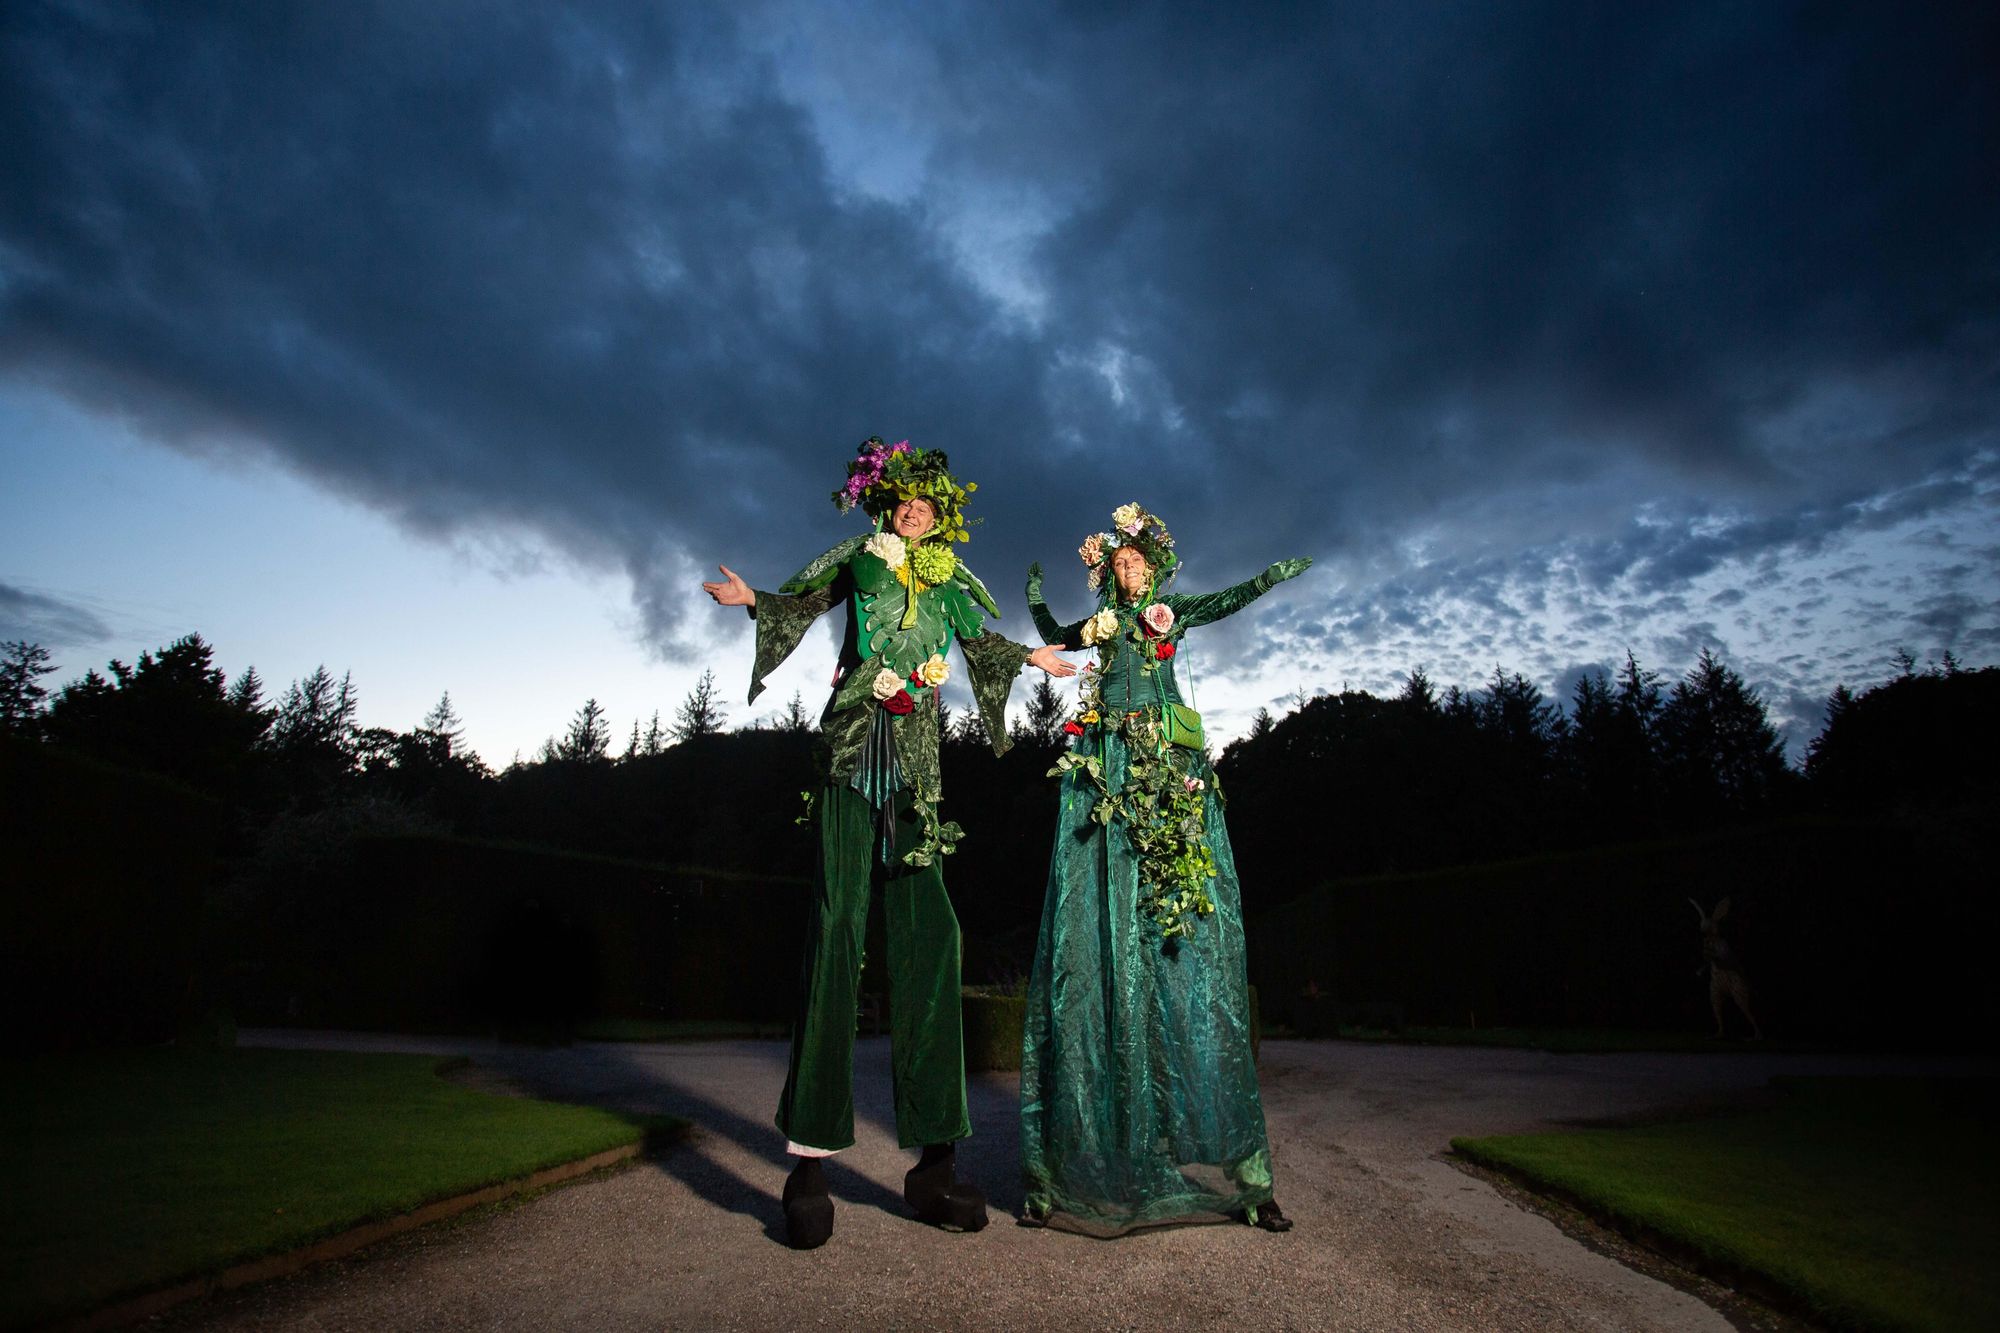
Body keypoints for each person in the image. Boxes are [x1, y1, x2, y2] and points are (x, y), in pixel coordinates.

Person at [702, 437, 1075, 1250]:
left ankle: (933, 1168)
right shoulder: (861, 556)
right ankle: (807, 1170)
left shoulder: (950, 581)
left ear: (944, 516)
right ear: (887, 503)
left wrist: (1036, 654)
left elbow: (982, 641)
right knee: (835, 931)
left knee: (931, 937)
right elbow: (804, 599)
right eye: (908, 498)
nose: (918, 510)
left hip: (916, 773)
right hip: (848, 758)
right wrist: (754, 600)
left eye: (932, 503)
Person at [1018, 502, 1309, 1236]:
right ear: (1107, 575)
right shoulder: (1103, 626)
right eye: (1115, 564)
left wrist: (1271, 575)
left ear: (1151, 566)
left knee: (1193, 955)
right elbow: (1057, 638)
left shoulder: (1169, 616)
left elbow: (1225, 600)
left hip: (1167, 771)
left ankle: (1248, 1173)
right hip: (1104, 773)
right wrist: (1034, 602)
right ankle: (1068, 1165)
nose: (1124, 570)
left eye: (1133, 561)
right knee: (1094, 947)